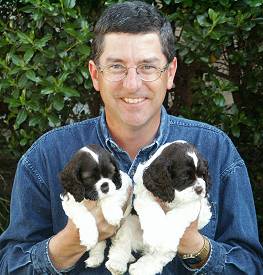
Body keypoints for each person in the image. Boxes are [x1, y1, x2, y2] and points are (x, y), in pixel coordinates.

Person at [0, 1, 262, 274]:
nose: (132, 83)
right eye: (116, 67)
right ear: (95, 75)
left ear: (170, 73)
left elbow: (249, 266)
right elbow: (11, 266)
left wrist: (193, 244)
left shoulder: (217, 150)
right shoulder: (45, 156)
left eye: (148, 67)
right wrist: (70, 241)